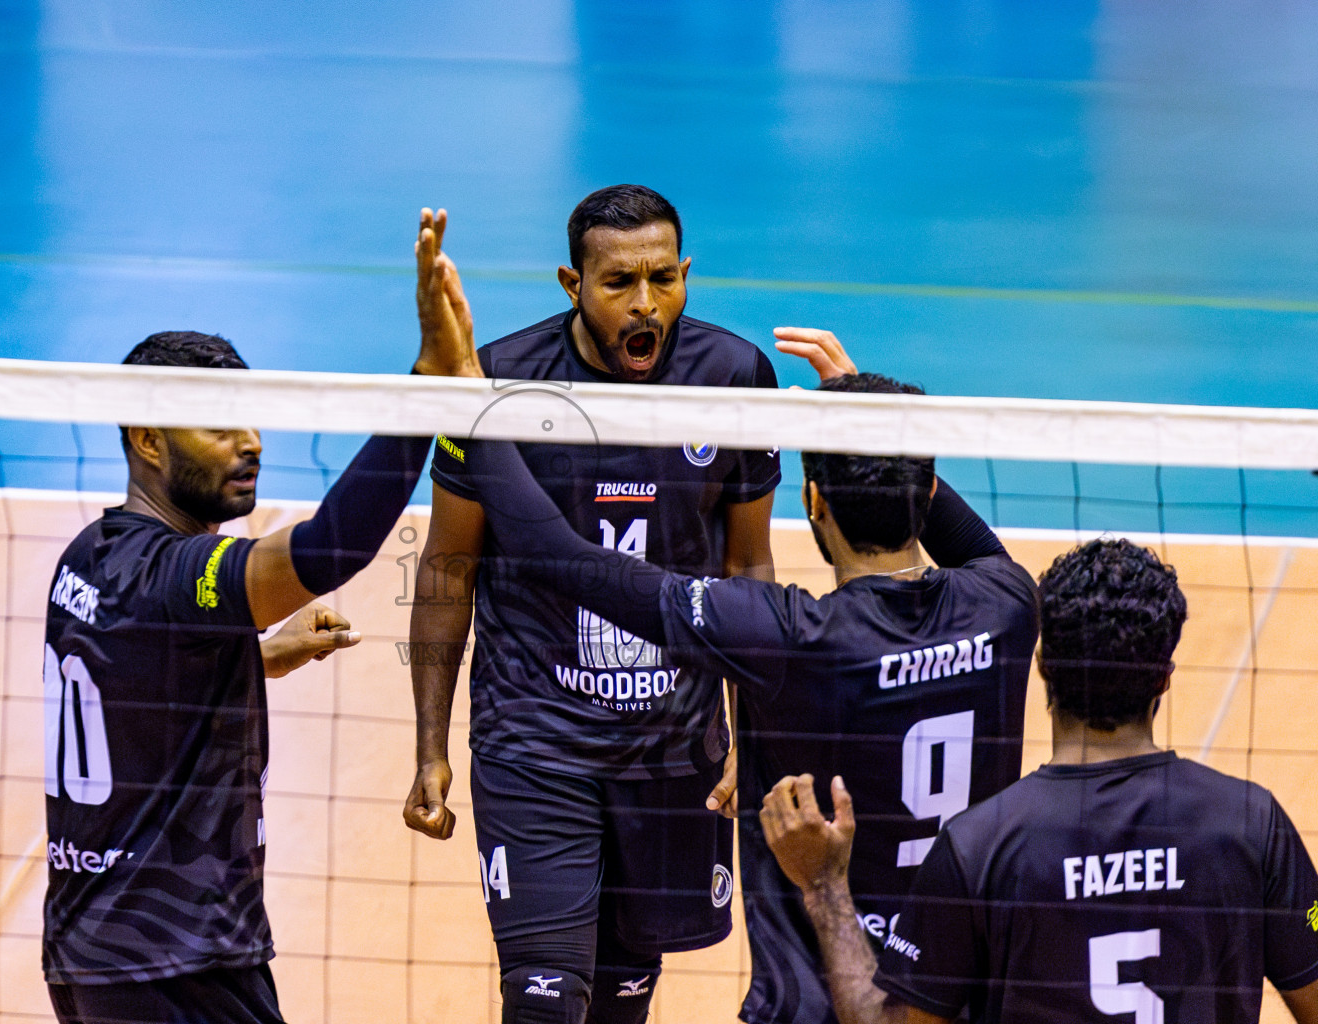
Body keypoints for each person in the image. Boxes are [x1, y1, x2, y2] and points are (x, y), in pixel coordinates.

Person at [458, 347, 1038, 1024]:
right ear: (930, 489)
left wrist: (473, 405)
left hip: (819, 997)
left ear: (813, 501)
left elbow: (560, 555)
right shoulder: (1006, 604)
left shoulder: (788, 636)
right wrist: (875, 423)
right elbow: (971, 541)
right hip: (963, 988)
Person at [402, 186, 781, 1024]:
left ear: (684, 274)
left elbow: (748, 567)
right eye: (619, 284)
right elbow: (447, 568)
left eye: (661, 279)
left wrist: (750, 736)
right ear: (573, 283)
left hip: (671, 750)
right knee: (543, 1002)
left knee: (618, 1003)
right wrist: (432, 745)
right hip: (534, 740)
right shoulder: (501, 379)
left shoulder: (733, 375)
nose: (645, 303)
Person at [42, 324, 481, 1024]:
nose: (252, 441)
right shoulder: (174, 576)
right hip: (176, 957)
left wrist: (260, 653)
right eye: (220, 424)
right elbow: (329, 547)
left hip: (93, 950)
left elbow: (134, 680)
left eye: (250, 415)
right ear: (148, 440)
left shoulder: (86, 558)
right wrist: (424, 391)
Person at [760, 538, 1318, 1024]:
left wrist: (825, 885)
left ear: (1043, 663)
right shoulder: (1252, 824)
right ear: (1164, 679)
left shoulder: (981, 845)